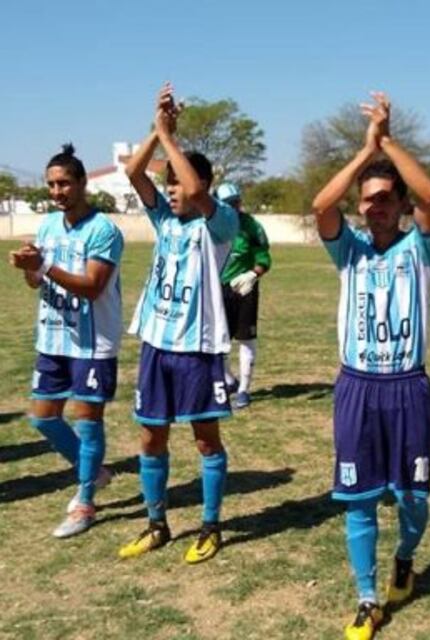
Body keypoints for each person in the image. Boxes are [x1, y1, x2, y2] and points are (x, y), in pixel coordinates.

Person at [311, 92, 430, 640]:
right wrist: (364, 155)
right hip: (358, 388)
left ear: (401, 203)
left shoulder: (422, 250)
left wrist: (387, 141)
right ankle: (367, 598)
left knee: (412, 499)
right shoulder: (349, 251)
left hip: (409, 388)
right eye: (368, 200)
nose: (375, 207)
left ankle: (406, 556)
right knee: (359, 498)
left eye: (386, 198)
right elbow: (322, 207)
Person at [118, 82, 239, 565]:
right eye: (165, 184)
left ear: (204, 188)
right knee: (151, 436)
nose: (171, 192)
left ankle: (210, 526)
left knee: (205, 438)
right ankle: (156, 523)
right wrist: (157, 130)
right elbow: (132, 172)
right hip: (157, 344)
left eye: (177, 184)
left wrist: (172, 137)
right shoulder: (165, 221)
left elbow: (192, 187)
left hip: (198, 348)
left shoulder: (220, 224)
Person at [8, 144, 123, 538]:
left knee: (89, 424)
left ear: (82, 183)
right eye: (51, 185)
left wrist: (42, 265)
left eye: (64, 184)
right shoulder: (47, 227)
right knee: (43, 417)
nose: (57, 192)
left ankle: (86, 501)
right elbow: (35, 282)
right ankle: (96, 472)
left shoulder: (103, 230)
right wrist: (30, 266)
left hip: (93, 343)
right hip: (52, 339)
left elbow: (93, 287)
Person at [215, 182, 271, 409]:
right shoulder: (211, 226)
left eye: (236, 202)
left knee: (246, 338)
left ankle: (244, 389)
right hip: (219, 288)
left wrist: (252, 275)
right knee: (219, 341)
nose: (234, 207)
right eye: (228, 204)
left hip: (245, 288)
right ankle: (228, 380)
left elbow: (264, 259)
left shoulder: (252, 226)